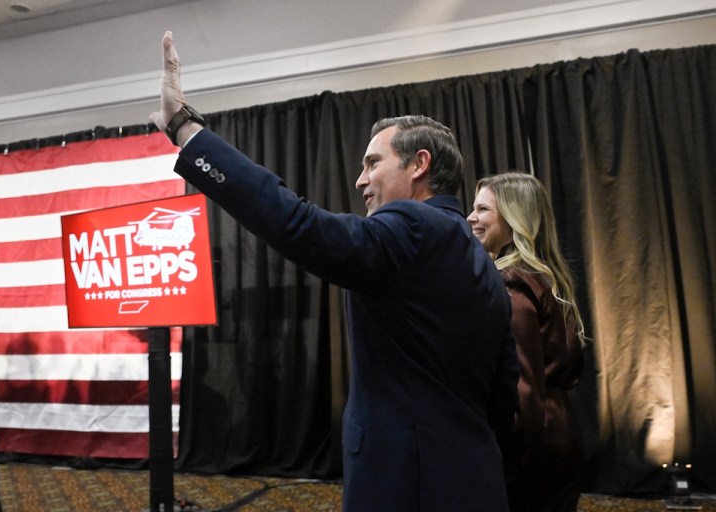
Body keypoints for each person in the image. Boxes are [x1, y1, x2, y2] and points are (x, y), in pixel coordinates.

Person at [150, 31, 519, 512]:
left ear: (419, 165)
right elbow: (504, 393)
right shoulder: (483, 262)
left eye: (373, 163)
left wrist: (185, 128)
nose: (361, 179)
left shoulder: (413, 225)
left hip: (407, 484)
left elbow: (299, 225)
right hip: (472, 477)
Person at [467, 171, 586, 512]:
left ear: (514, 218)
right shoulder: (545, 277)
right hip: (559, 432)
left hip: (532, 446)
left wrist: (505, 461)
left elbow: (523, 391)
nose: (470, 217)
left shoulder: (512, 283)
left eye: (482, 209)